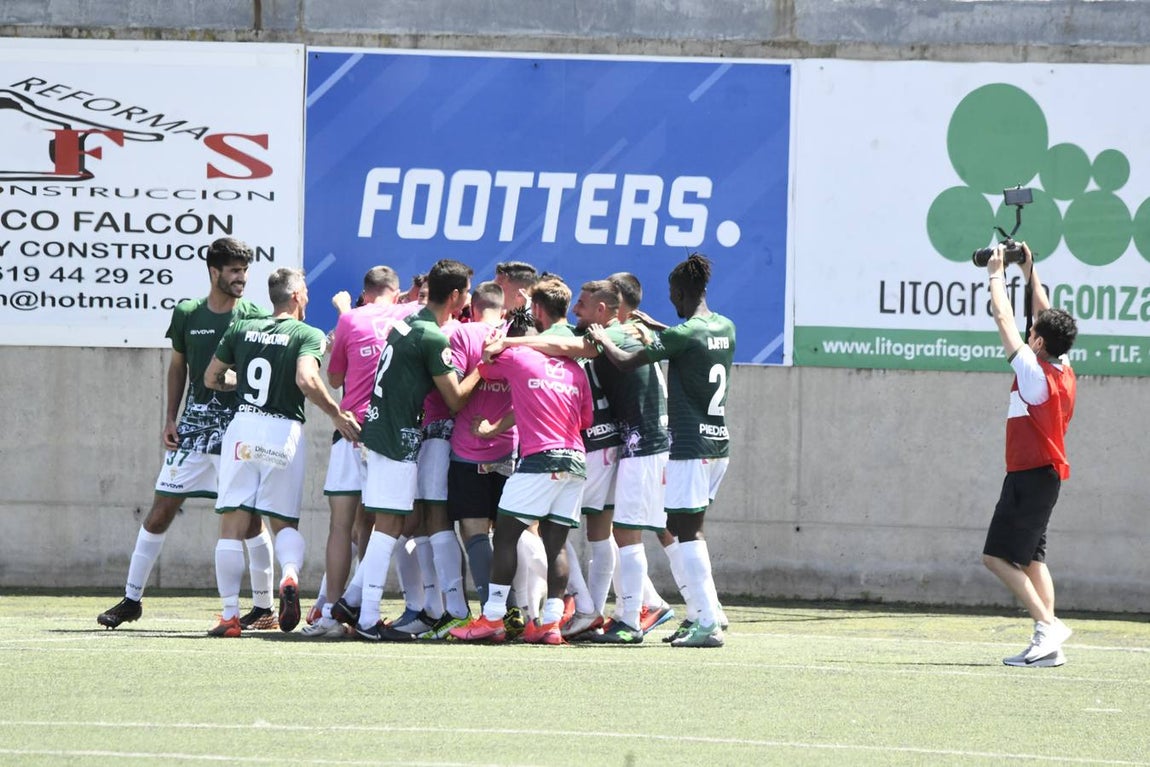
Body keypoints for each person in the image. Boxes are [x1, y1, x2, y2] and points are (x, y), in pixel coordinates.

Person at [97, 237, 275, 631]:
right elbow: (177, 366)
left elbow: (265, 371)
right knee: (161, 510)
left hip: (238, 434)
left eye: (244, 270)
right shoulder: (188, 313)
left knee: (249, 521)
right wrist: (169, 417)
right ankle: (131, 600)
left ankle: (264, 608)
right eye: (233, 270)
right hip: (192, 431)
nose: (241, 277)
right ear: (214, 272)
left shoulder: (254, 315)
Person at [203, 267, 361, 637]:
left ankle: (229, 616)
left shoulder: (241, 328)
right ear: (295, 297)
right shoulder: (305, 333)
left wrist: (240, 384)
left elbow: (212, 377)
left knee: (232, 527)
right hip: (282, 430)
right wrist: (337, 414)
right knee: (283, 522)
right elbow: (306, 379)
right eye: (304, 293)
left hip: (243, 426)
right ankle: (289, 576)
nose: (306, 298)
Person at [589, 253, 736, 648]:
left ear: (681, 292)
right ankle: (711, 612)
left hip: (688, 445)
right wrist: (656, 326)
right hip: (718, 443)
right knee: (683, 528)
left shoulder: (681, 335)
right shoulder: (723, 326)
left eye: (673, 294)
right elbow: (688, 337)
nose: (671, 301)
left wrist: (602, 337)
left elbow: (623, 361)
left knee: (684, 532)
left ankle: (705, 621)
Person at [330, 259, 481, 641]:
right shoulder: (432, 336)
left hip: (379, 430)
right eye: (466, 293)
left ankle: (351, 601)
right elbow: (457, 399)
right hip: (396, 437)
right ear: (456, 295)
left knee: (396, 524)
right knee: (390, 527)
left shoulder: (406, 323)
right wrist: (486, 363)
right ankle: (366, 619)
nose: (467, 300)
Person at [450, 308, 594, 645]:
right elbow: (585, 419)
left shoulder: (518, 357)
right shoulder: (576, 369)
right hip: (575, 459)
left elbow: (486, 365)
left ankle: (494, 617)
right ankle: (551, 624)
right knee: (556, 543)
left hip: (540, 458)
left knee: (505, 535)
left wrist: (492, 349)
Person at [981, 243, 1078, 668]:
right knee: (1034, 558)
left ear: (1037, 340)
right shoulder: (1063, 363)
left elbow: (1003, 317)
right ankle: (1048, 643)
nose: (1030, 330)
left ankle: (1047, 625)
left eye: (1034, 330)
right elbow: (1046, 313)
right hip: (1045, 476)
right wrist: (1029, 267)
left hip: (1030, 475)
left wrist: (995, 273)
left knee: (996, 558)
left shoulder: (1034, 373)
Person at [302, 266, 411, 639]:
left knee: (340, 525)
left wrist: (344, 316)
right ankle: (363, 608)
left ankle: (333, 612)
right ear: (395, 293)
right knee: (377, 524)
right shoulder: (407, 315)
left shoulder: (351, 318)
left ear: (366, 293)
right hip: (386, 432)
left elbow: (333, 379)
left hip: (349, 428)